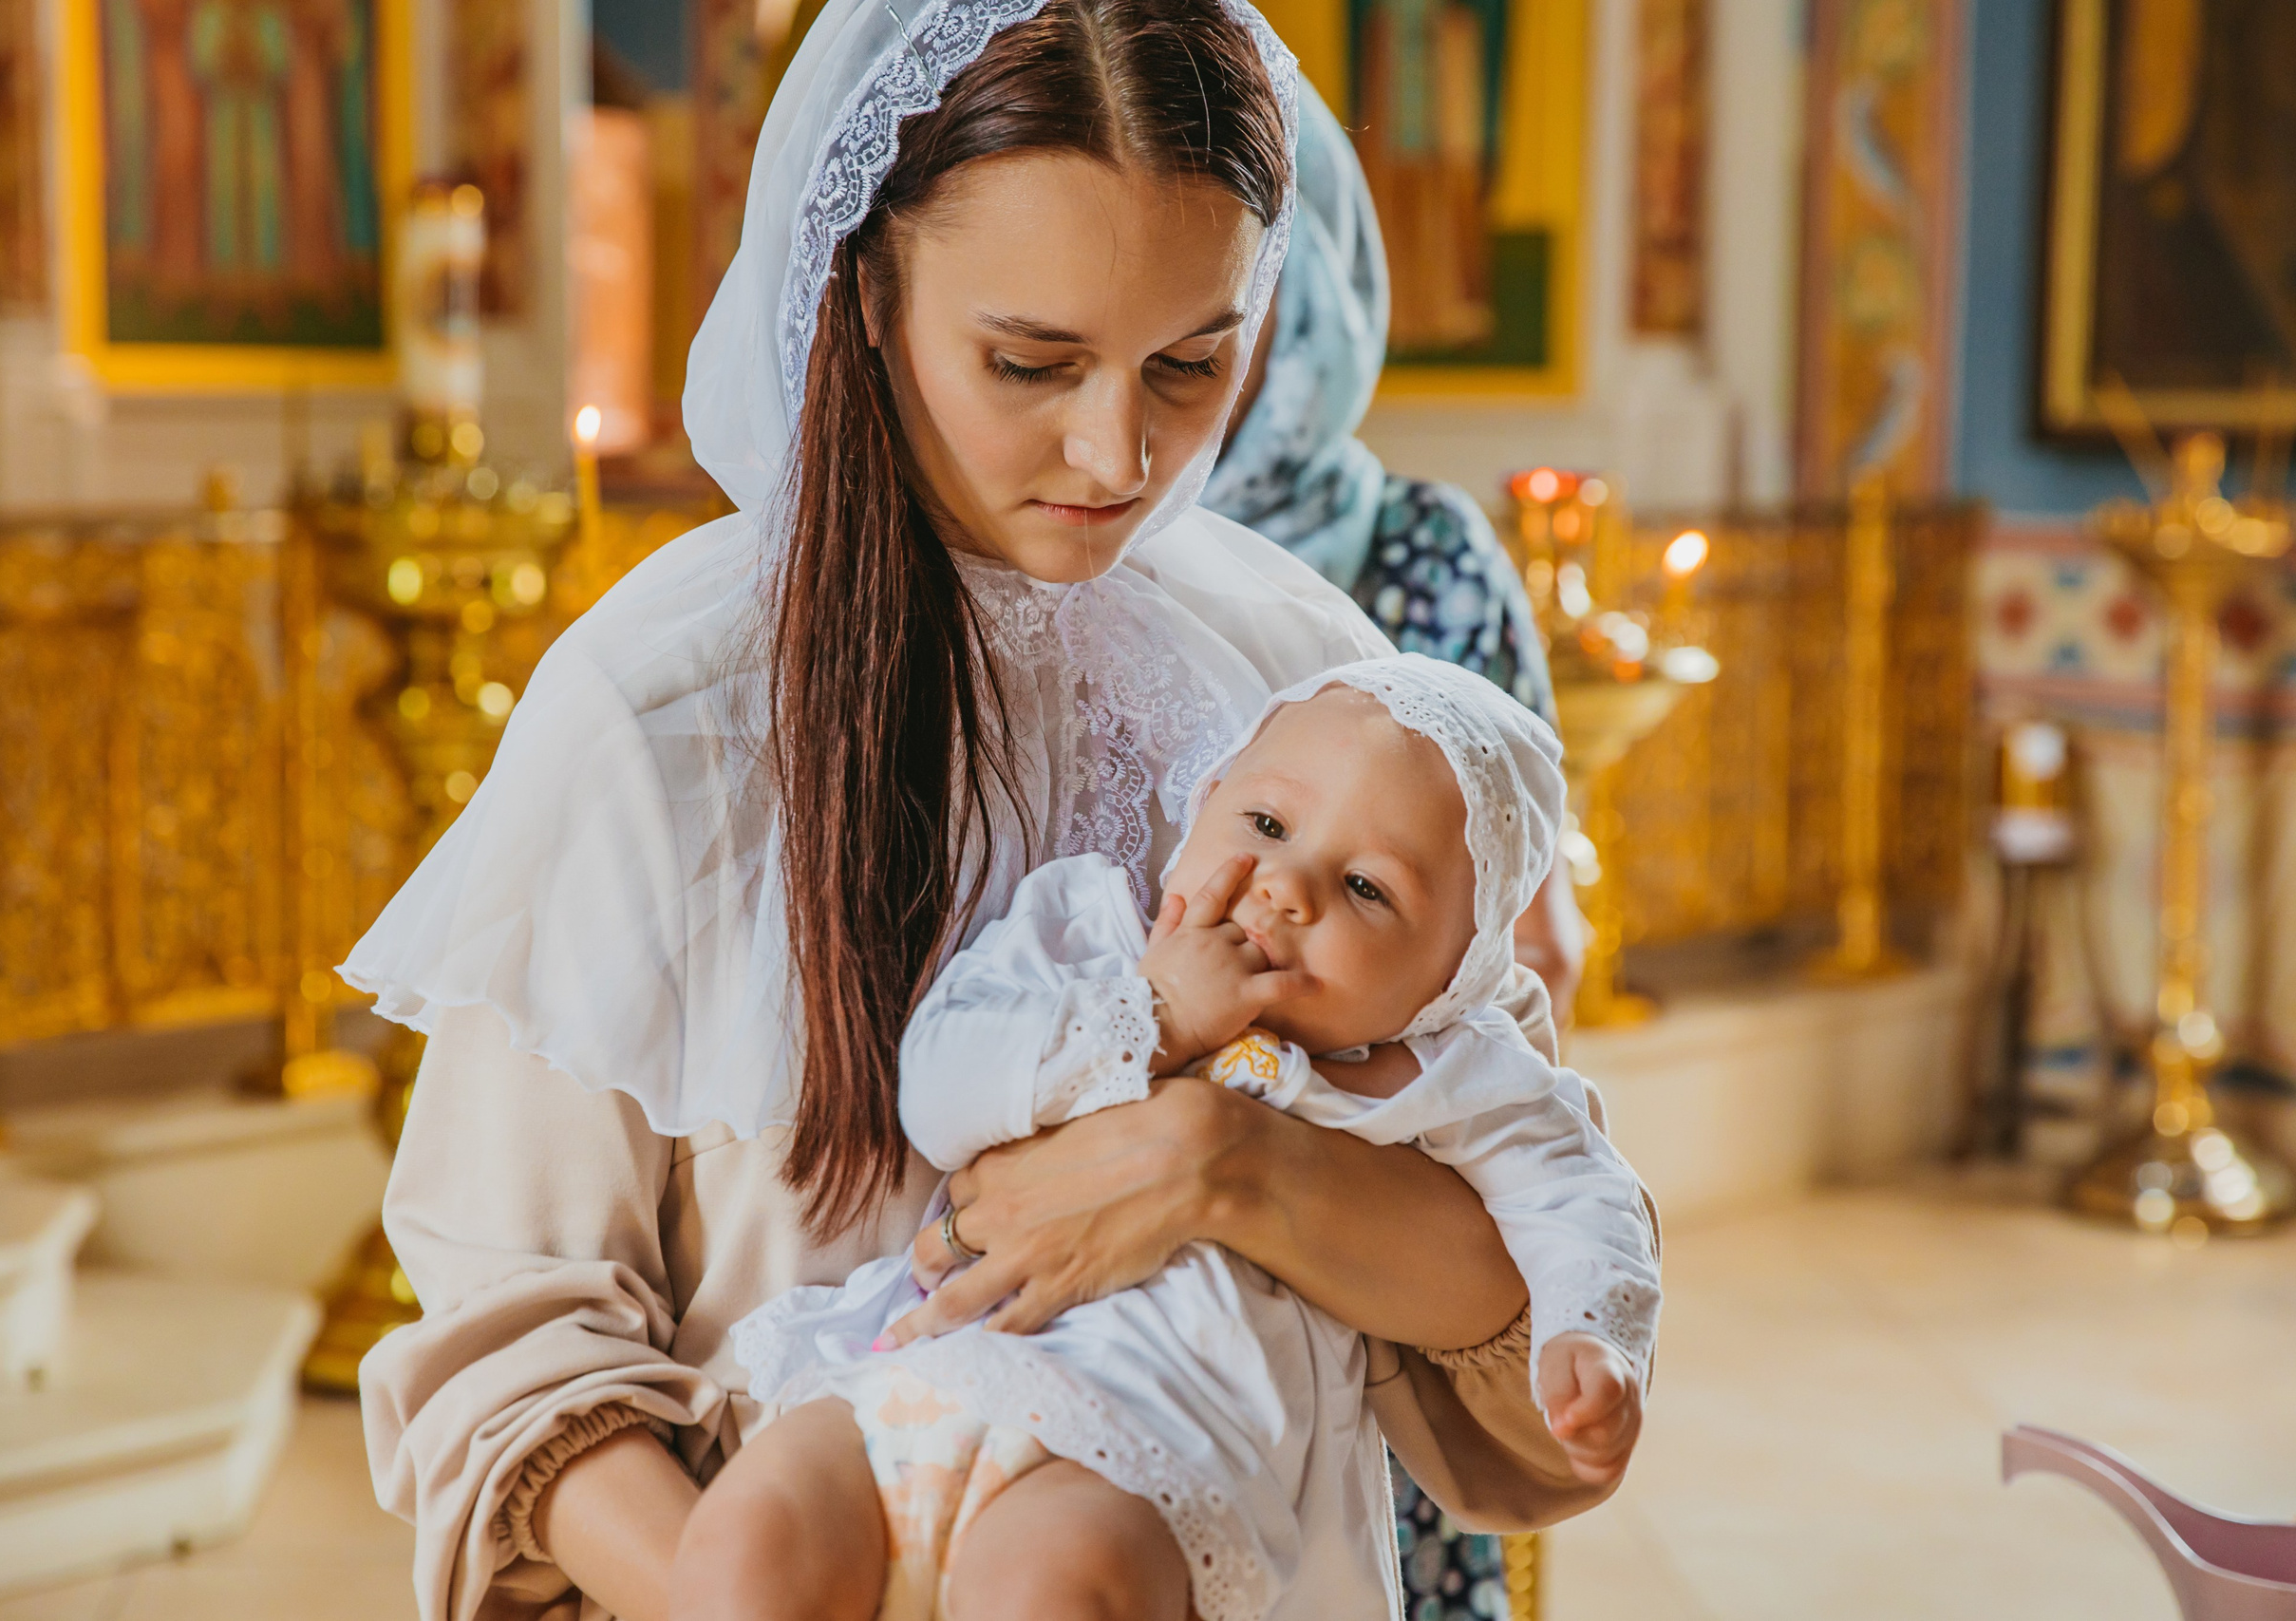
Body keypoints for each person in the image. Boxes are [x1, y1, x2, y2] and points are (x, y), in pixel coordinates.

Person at [344, 2, 1644, 1617]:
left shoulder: (1309, 680)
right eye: (1030, 362)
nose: (1120, 451)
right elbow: (518, 1356)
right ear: (872, 291)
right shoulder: (661, 713)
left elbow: (1517, 1251)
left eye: (1194, 361)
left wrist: (1221, 1162)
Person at [721, 657, 1658, 1621]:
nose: (1286, 886)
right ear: (1204, 799)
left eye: (1367, 889)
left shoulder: (1446, 1073)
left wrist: (1588, 1334)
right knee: (754, 1534)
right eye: (1265, 824)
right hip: (925, 1377)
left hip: (1154, 1457)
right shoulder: (1087, 934)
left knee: (1051, 1584)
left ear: (1452, 974)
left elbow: (1581, 1199)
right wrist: (1151, 1013)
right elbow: (941, 1095)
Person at [1204, 90, 1582, 1023]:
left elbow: (1532, 947)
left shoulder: (1423, 553)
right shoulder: (1057, 535)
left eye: (1225, 294)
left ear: (1309, 305)